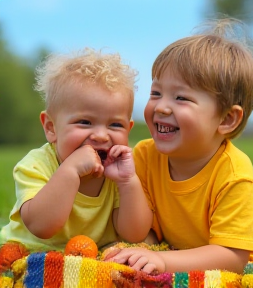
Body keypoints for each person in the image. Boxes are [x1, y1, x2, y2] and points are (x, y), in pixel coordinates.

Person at [104, 18, 253, 274]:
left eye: (181, 97)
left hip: (238, 271)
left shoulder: (234, 174)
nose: (161, 107)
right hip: (176, 257)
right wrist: (142, 252)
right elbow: (144, 230)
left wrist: (163, 261)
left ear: (226, 119)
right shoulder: (145, 156)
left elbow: (231, 257)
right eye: (156, 93)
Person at [0, 48, 152, 252]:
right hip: (30, 253)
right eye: (85, 122)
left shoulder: (119, 174)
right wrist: (70, 170)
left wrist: (127, 181)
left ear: (129, 129)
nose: (100, 135)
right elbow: (41, 226)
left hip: (86, 259)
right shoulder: (37, 165)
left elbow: (134, 234)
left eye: (115, 125)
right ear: (51, 128)